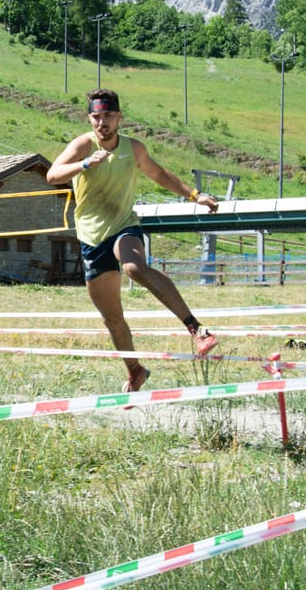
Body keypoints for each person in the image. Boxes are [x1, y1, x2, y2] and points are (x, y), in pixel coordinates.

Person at [46, 89, 219, 394]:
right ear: (90, 118)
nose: (103, 123)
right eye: (97, 117)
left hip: (124, 224)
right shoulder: (83, 145)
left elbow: (159, 174)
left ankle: (196, 328)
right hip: (90, 235)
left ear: (119, 118)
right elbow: (53, 174)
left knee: (133, 267)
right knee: (112, 318)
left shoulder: (133, 148)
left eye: (109, 116)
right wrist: (85, 164)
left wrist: (195, 195)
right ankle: (135, 371)